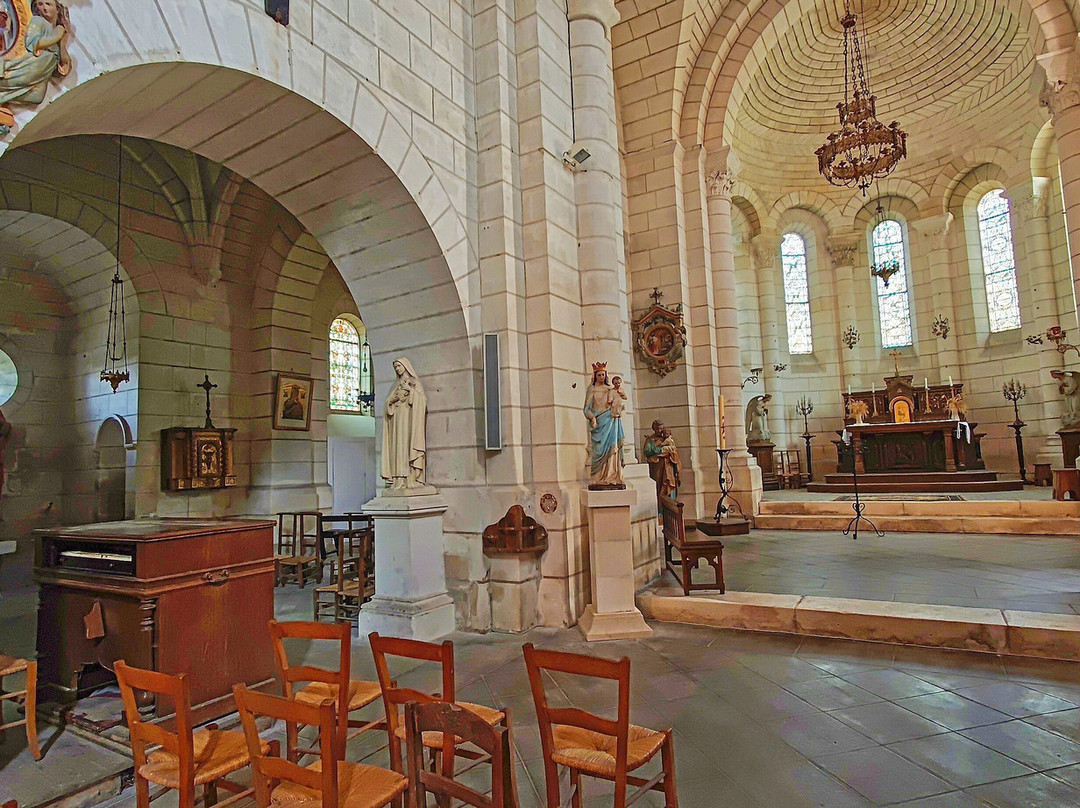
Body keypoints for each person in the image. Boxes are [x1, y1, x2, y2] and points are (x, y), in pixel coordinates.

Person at [0, 0, 70, 135]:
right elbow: (33, 43)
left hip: (46, 69)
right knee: (13, 81)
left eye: (48, 4)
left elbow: (63, 61)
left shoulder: (55, 28)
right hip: (34, 64)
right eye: (40, 4)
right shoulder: (38, 21)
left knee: (37, 97)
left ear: (58, 9)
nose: (44, 8)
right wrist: (57, 35)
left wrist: (62, 42)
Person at [382, 357, 428, 490]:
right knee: (397, 449)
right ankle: (398, 480)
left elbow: (422, 401)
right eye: (395, 367)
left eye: (399, 366)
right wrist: (392, 400)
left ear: (406, 366)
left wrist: (410, 390)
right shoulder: (395, 385)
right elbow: (387, 404)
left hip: (409, 421)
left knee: (407, 448)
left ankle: (410, 478)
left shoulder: (414, 382)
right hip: (396, 421)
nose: (397, 369)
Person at [582, 362, 625, 488]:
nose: (601, 377)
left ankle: (611, 476)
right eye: (599, 375)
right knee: (598, 451)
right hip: (599, 423)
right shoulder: (592, 389)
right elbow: (586, 409)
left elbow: (618, 402)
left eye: (603, 375)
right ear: (595, 376)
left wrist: (619, 405)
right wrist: (593, 418)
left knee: (613, 448)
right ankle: (598, 477)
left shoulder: (610, 390)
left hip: (611, 421)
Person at [643, 419, 680, 499]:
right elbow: (647, 451)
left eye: (661, 429)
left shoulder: (667, 439)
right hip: (657, 467)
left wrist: (669, 452)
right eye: (657, 429)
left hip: (668, 466)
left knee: (668, 485)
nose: (659, 431)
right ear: (654, 429)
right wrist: (660, 450)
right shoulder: (651, 440)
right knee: (659, 487)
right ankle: (660, 508)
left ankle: (670, 506)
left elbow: (674, 450)